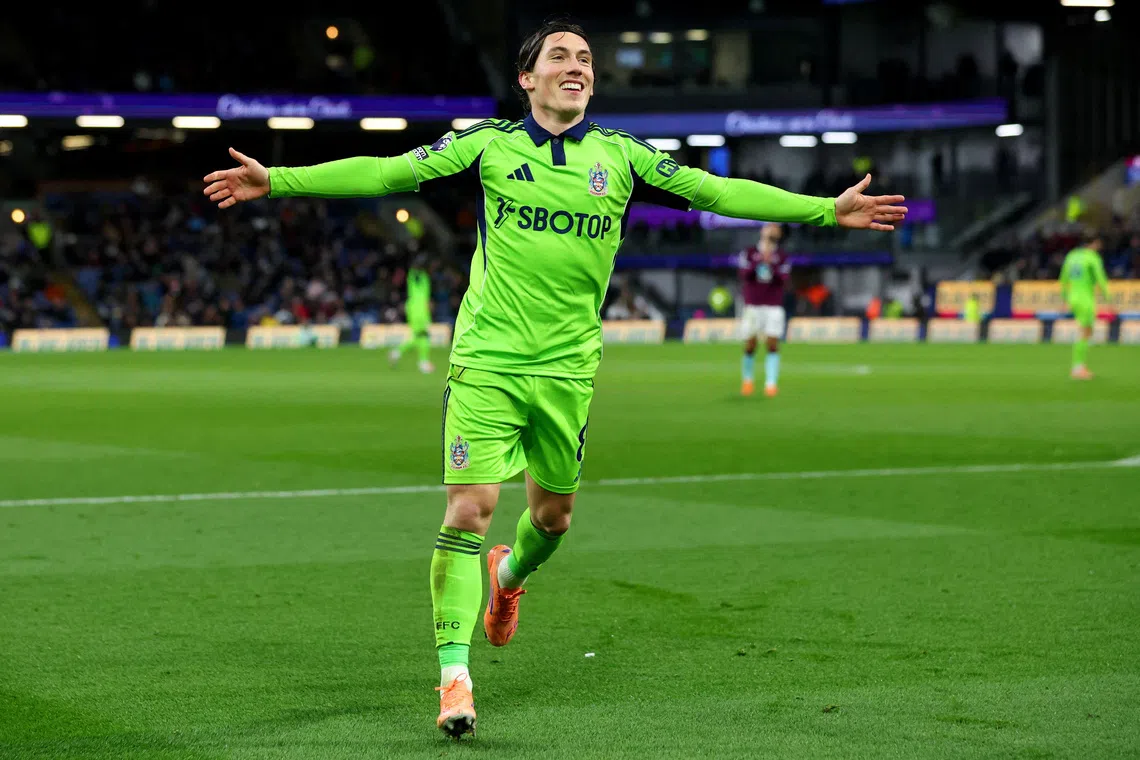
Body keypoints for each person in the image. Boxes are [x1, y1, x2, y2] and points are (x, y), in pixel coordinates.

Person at [201, 19, 907, 741]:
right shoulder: (488, 144)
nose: (577, 66)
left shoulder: (623, 157)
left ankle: (507, 582)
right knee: (470, 509)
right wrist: (277, 180)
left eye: (586, 59)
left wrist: (826, 209)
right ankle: (454, 678)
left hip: (569, 371)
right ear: (527, 79)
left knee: (552, 520)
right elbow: (387, 172)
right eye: (560, 57)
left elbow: (718, 193)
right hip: (488, 362)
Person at [737, 222, 789, 397]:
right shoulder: (750, 253)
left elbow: (783, 278)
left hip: (773, 305)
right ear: (763, 231)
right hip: (753, 304)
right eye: (770, 227)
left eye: (776, 228)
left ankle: (771, 383)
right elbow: (744, 275)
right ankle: (747, 381)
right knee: (750, 344)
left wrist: (770, 264)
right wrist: (760, 260)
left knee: (772, 343)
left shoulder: (781, 256)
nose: (773, 230)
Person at [1059, 231, 1111, 379]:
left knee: (1086, 331)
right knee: (1085, 332)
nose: (1100, 246)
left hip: (1073, 298)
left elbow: (1063, 279)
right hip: (1085, 299)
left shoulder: (1071, 256)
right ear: (1094, 243)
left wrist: (1064, 299)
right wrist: (1109, 298)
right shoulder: (1092, 257)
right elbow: (1101, 279)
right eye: (1098, 243)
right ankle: (1077, 368)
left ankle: (1080, 365)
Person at [389, 253, 435, 373]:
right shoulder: (415, 275)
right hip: (417, 309)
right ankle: (422, 362)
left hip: (420, 308)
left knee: (419, 336)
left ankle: (397, 352)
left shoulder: (423, 276)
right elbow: (415, 270)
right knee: (423, 335)